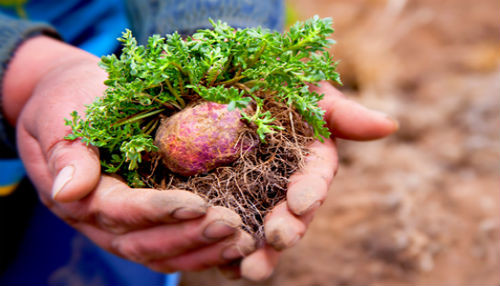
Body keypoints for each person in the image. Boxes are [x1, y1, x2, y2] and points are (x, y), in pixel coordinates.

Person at [0, 0, 398, 284]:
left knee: (128, 245)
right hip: (47, 98)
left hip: (124, 46)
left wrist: (214, 32)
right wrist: (25, 77)